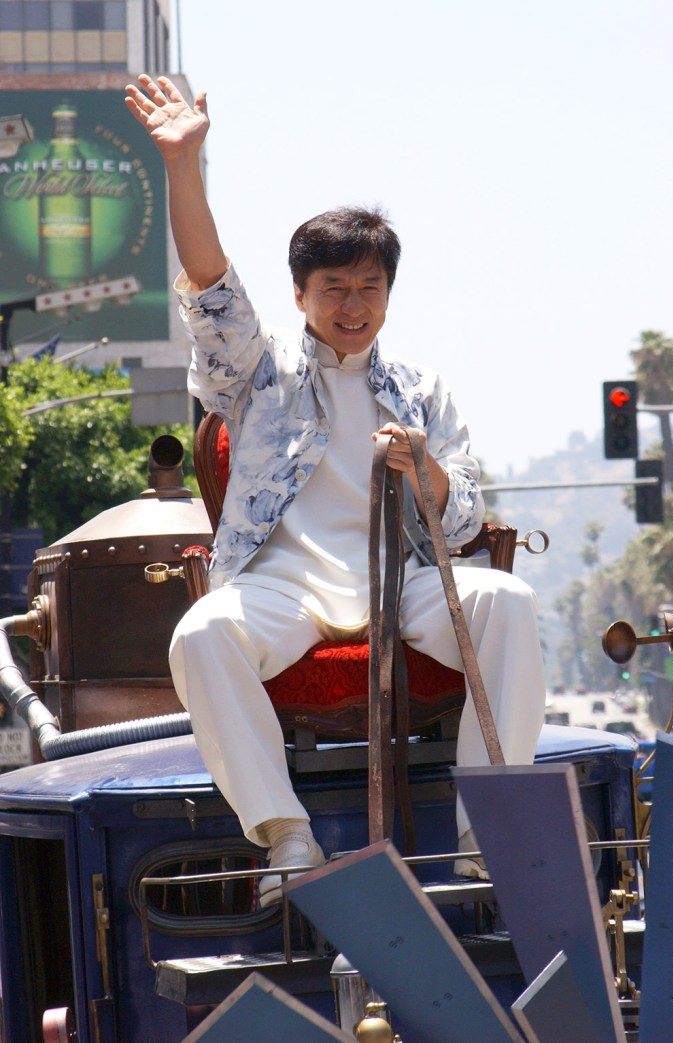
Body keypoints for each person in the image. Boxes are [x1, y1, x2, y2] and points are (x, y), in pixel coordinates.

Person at [125, 74, 546, 906]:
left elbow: (461, 509)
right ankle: (286, 835)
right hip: (284, 588)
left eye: (370, 287)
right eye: (334, 288)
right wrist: (183, 163)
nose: (353, 305)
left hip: (404, 582)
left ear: (389, 291)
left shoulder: (423, 386)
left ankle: (483, 835)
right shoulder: (260, 369)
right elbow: (211, 288)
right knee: (201, 634)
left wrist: (423, 467)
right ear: (301, 294)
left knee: (509, 601)